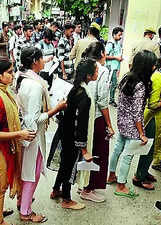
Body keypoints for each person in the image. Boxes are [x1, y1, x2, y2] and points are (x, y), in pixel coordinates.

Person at [0, 56, 36, 225]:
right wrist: (19, 134)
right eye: (10, 72)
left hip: (3, 147)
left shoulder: (1, 91)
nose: (13, 75)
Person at [15, 47, 67, 222]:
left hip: (25, 131)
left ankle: (22, 201)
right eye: (42, 58)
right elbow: (36, 118)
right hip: (33, 135)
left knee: (27, 170)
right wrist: (56, 109)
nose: (44, 61)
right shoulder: (36, 85)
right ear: (36, 61)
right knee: (32, 173)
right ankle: (26, 211)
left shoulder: (22, 77)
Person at [106, 50, 157, 198]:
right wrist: (141, 133)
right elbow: (137, 112)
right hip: (133, 126)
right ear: (146, 66)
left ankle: (111, 176)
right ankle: (121, 186)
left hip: (121, 121)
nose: (154, 67)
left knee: (117, 149)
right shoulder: (140, 85)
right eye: (153, 65)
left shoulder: (126, 77)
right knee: (128, 156)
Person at [50, 58, 97, 209]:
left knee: (64, 163)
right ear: (88, 76)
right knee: (70, 166)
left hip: (65, 131)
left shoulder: (75, 88)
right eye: (95, 71)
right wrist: (83, 148)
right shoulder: (84, 95)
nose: (97, 73)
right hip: (73, 135)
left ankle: (56, 190)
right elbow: (81, 123)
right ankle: (66, 199)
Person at [77, 41, 114, 202]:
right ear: (101, 54)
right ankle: (88, 188)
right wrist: (110, 125)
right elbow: (102, 100)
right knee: (97, 153)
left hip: (82, 115)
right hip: (96, 117)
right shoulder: (102, 70)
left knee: (85, 150)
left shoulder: (82, 65)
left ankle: (83, 185)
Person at [105, 26, 124, 107]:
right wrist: (116, 58)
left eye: (121, 35)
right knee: (111, 84)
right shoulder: (110, 44)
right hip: (111, 67)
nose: (120, 37)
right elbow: (105, 56)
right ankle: (110, 100)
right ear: (114, 35)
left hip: (115, 67)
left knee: (114, 84)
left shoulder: (117, 44)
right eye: (119, 35)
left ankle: (111, 100)